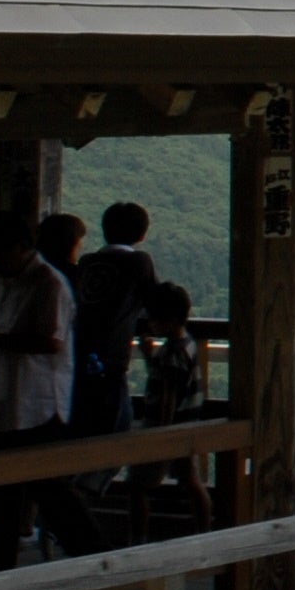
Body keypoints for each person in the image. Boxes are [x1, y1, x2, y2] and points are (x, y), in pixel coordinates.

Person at [0, 211, 99, 564]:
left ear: (20, 247)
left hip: (39, 404)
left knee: (51, 491)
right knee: (13, 491)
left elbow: (51, 342)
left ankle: (92, 556)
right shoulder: (11, 281)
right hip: (8, 400)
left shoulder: (48, 283)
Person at [125, 282, 214, 541]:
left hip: (165, 429)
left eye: (153, 317)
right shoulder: (187, 344)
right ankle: (204, 534)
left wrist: (159, 433)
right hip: (187, 425)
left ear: (169, 319)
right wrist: (150, 356)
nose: (149, 322)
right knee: (191, 481)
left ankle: (137, 541)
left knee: (136, 485)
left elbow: (168, 393)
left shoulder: (171, 353)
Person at [66, 201, 159, 442]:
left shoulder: (86, 262)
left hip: (79, 356)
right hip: (112, 359)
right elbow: (156, 303)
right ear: (142, 234)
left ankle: (82, 477)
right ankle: (90, 480)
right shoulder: (139, 261)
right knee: (114, 433)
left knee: (86, 428)